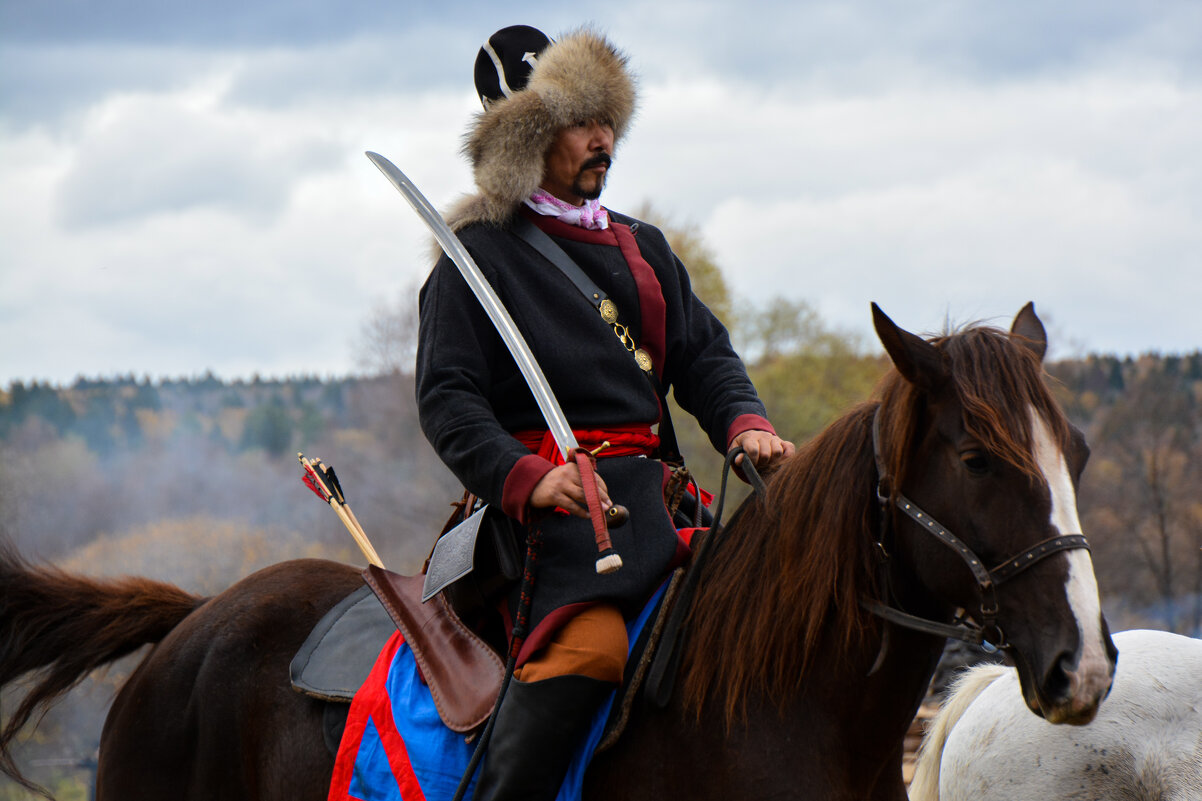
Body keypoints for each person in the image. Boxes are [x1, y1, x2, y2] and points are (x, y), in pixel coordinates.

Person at [415, 24, 794, 801]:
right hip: (547, 524)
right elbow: (448, 401)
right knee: (588, 651)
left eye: (607, 121)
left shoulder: (644, 249)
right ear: (528, 137)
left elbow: (705, 359)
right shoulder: (476, 258)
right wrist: (527, 479)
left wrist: (744, 423)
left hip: (659, 507)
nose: (602, 140)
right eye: (578, 123)